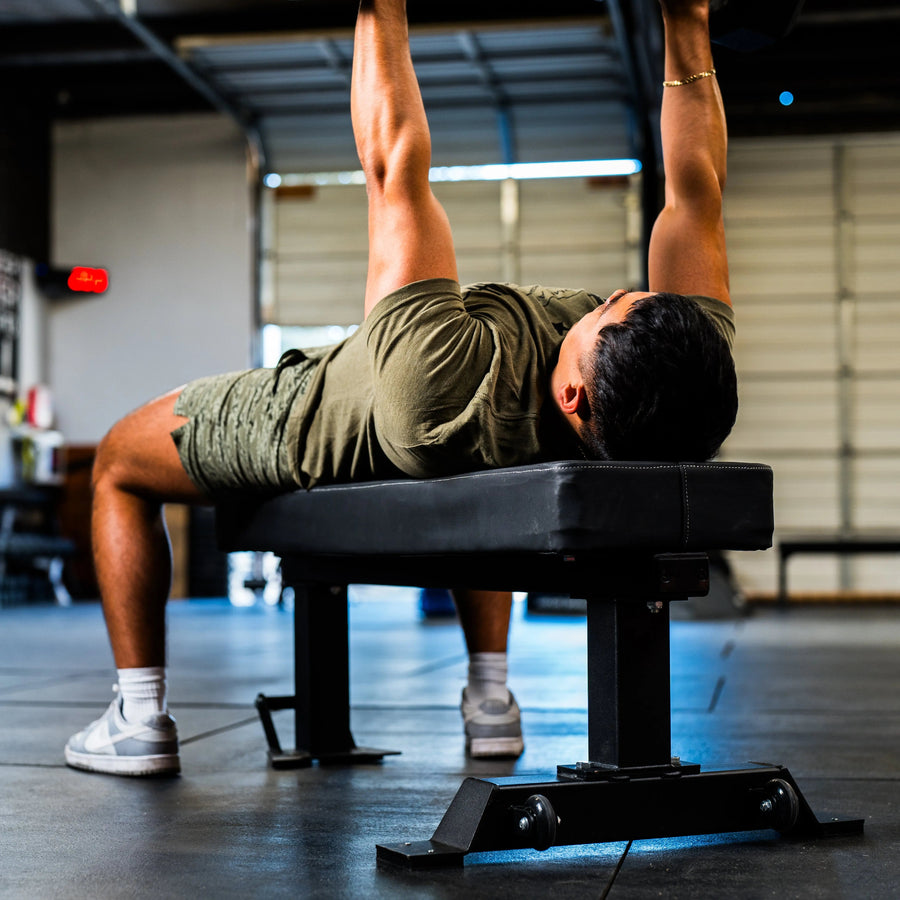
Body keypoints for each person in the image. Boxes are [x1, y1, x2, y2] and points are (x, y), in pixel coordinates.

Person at [64, 0, 736, 776]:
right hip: (457, 455)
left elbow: (394, 163)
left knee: (116, 458)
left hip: (312, 420)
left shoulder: (442, 377)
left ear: (574, 397)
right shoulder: (686, 375)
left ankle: (138, 717)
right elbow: (698, 191)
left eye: (608, 312)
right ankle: (491, 698)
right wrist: (687, 19)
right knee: (488, 481)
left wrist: (382, 10)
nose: (616, 294)